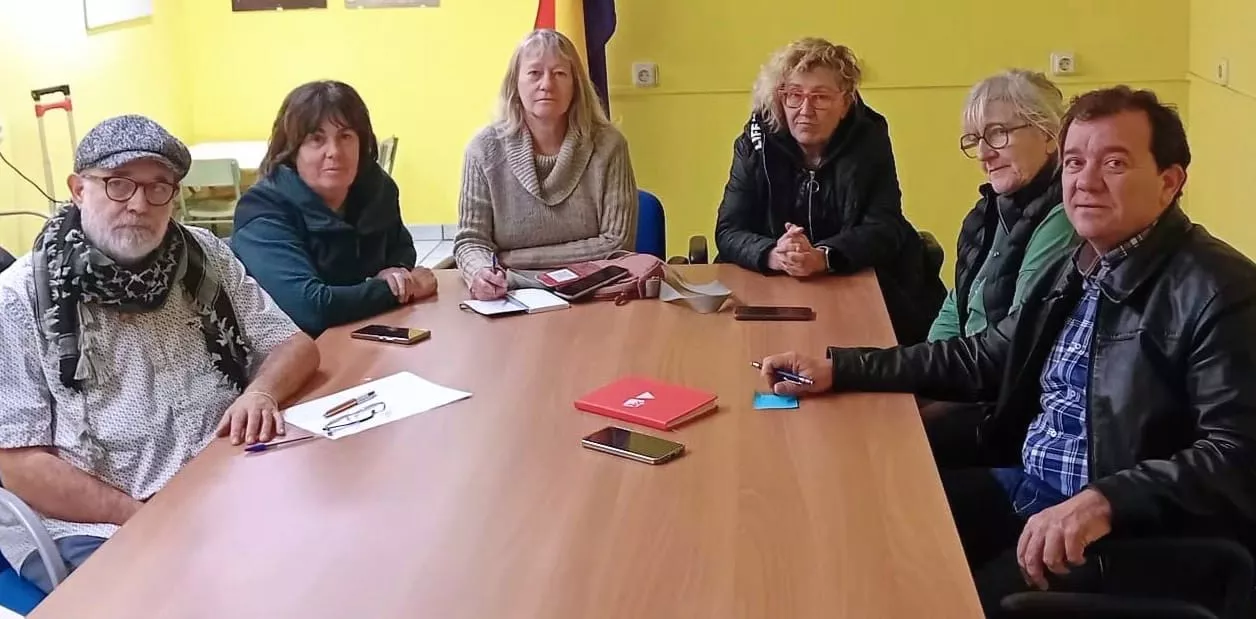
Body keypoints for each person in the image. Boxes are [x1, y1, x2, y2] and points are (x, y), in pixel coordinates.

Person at [758, 87, 1256, 615]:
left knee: (924, 599)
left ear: (1169, 182)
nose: (1084, 181)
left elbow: (1237, 456)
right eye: (1074, 162)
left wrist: (1108, 500)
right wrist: (842, 368)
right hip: (1032, 487)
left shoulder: (1220, 289)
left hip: (1118, 530)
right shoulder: (1082, 262)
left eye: (1114, 163)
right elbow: (985, 355)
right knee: (862, 524)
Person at [0, 115, 320, 592]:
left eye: (158, 187)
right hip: (101, 523)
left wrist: (261, 393)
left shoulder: (201, 256)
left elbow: (294, 345)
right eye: (117, 184)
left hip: (223, 480)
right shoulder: (18, 298)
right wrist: (142, 517)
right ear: (77, 189)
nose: (138, 204)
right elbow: (18, 461)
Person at [714, 38, 945, 345]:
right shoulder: (756, 141)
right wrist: (773, 254)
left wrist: (823, 256)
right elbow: (729, 229)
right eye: (794, 95)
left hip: (856, 284)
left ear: (845, 102)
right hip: (771, 291)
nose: (805, 110)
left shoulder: (869, 138)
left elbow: (885, 226)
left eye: (820, 97)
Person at [231, 80, 436, 336]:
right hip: (295, 351)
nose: (334, 151)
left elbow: (401, 246)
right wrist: (402, 288)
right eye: (316, 139)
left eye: (346, 137)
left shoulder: (377, 187)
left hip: (364, 337)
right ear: (292, 151)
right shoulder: (262, 210)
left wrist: (397, 271)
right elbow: (310, 308)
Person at [455, 29, 638, 301]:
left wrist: (514, 259)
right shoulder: (483, 149)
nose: (546, 84)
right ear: (514, 84)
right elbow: (471, 241)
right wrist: (481, 272)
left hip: (593, 295)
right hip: (508, 295)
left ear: (576, 84)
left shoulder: (609, 145)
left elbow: (616, 243)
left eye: (559, 74)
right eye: (534, 73)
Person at [929, 69, 1076, 343]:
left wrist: (928, 368)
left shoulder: (1063, 217)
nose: (984, 154)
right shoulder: (990, 209)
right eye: (975, 139)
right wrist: (927, 367)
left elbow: (1013, 341)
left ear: (1048, 135)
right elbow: (957, 303)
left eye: (998, 133)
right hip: (965, 369)